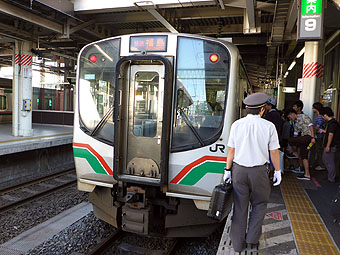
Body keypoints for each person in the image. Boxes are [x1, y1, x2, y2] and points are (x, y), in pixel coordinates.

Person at [223, 92, 281, 253]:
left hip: (239, 171)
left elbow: (231, 151)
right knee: (259, 204)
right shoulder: (269, 126)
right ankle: (252, 241)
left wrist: (227, 171)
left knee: (240, 207)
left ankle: (237, 243)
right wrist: (278, 171)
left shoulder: (236, 125)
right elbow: (274, 152)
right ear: (262, 110)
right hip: (259, 173)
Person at [286, 108, 315, 180]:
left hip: (308, 137)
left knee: (290, 140)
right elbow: (295, 134)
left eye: (290, 117)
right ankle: (307, 174)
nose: (290, 119)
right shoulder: (295, 124)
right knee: (304, 156)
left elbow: (311, 126)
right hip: (304, 140)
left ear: (292, 114)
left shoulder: (303, 116)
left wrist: (313, 137)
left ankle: (293, 153)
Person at [320, 107, 340, 183]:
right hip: (332, 145)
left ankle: (331, 178)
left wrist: (328, 146)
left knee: (329, 162)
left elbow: (331, 135)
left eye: (322, 116)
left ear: (325, 115)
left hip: (331, 146)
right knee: (327, 160)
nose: (322, 117)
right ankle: (330, 176)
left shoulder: (332, 124)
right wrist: (325, 131)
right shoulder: (333, 123)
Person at [310, 102, 326, 171]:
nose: (312, 109)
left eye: (313, 108)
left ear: (316, 109)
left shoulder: (319, 117)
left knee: (318, 150)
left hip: (319, 136)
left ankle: (321, 165)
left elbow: (317, 127)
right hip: (319, 136)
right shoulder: (320, 116)